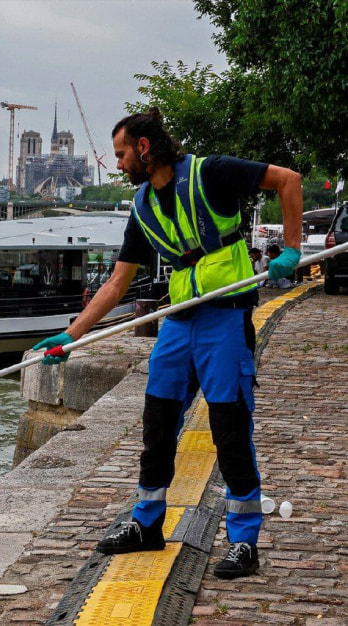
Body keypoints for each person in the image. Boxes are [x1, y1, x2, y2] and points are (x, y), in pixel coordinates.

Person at [34, 107, 303, 579]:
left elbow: (289, 180)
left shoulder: (211, 173)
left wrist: (294, 249)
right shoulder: (141, 208)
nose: (116, 164)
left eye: (120, 154)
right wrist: (73, 336)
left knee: (229, 429)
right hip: (178, 323)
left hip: (225, 318)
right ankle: (146, 526)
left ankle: (243, 540)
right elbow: (117, 283)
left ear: (143, 148)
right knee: (157, 425)